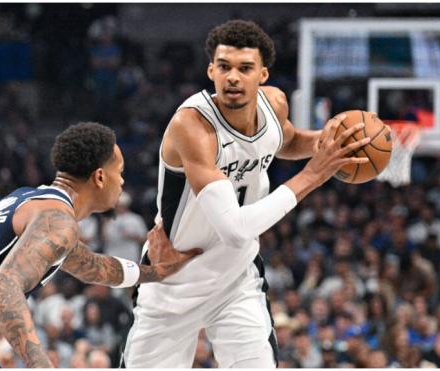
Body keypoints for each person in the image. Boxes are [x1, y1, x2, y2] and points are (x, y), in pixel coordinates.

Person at [122, 20, 370, 368]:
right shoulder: (192, 127)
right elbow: (235, 229)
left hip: (235, 280)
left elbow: (286, 140)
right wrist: (315, 173)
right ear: (211, 70)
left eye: (244, 68)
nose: (233, 77)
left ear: (263, 75)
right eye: (224, 67)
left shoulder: (275, 104)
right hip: (172, 281)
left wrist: (327, 143)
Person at [0, 122, 201, 368]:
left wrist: (155, 272)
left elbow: (91, 267)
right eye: (121, 172)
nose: (123, 182)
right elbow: (3, 288)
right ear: (100, 177)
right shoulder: (57, 219)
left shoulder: (35, 201)